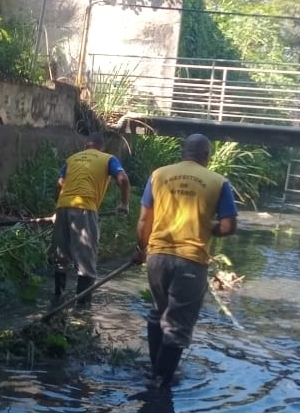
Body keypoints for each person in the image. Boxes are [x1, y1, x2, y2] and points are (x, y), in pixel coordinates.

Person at [134, 133, 237, 385]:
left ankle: (155, 371)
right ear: (207, 156)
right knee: (177, 326)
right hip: (190, 261)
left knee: (158, 313)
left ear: (183, 153)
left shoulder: (158, 175)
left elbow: (144, 220)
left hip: (157, 257)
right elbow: (228, 226)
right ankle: (161, 382)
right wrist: (209, 227)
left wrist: (141, 249)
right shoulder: (219, 182)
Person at [50, 130, 131, 304]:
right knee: (86, 262)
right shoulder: (108, 159)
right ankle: (82, 310)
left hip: (63, 207)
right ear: (102, 147)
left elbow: (59, 184)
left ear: (85, 145)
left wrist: (57, 210)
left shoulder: (72, 159)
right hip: (85, 209)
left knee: (60, 258)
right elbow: (123, 179)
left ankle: (57, 300)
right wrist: (124, 204)